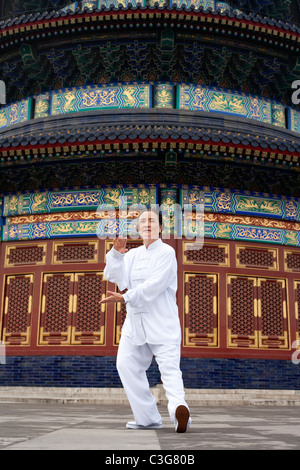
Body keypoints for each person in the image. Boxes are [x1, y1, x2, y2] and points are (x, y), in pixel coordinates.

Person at [100, 208, 191, 433]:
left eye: (151, 221)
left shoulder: (167, 253)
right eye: (142, 222)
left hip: (162, 322)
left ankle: (180, 411)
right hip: (136, 323)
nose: (146, 224)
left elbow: (155, 285)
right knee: (126, 364)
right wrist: (116, 254)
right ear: (138, 229)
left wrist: (126, 297)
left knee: (169, 370)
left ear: (160, 228)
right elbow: (114, 276)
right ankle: (147, 417)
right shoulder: (132, 255)